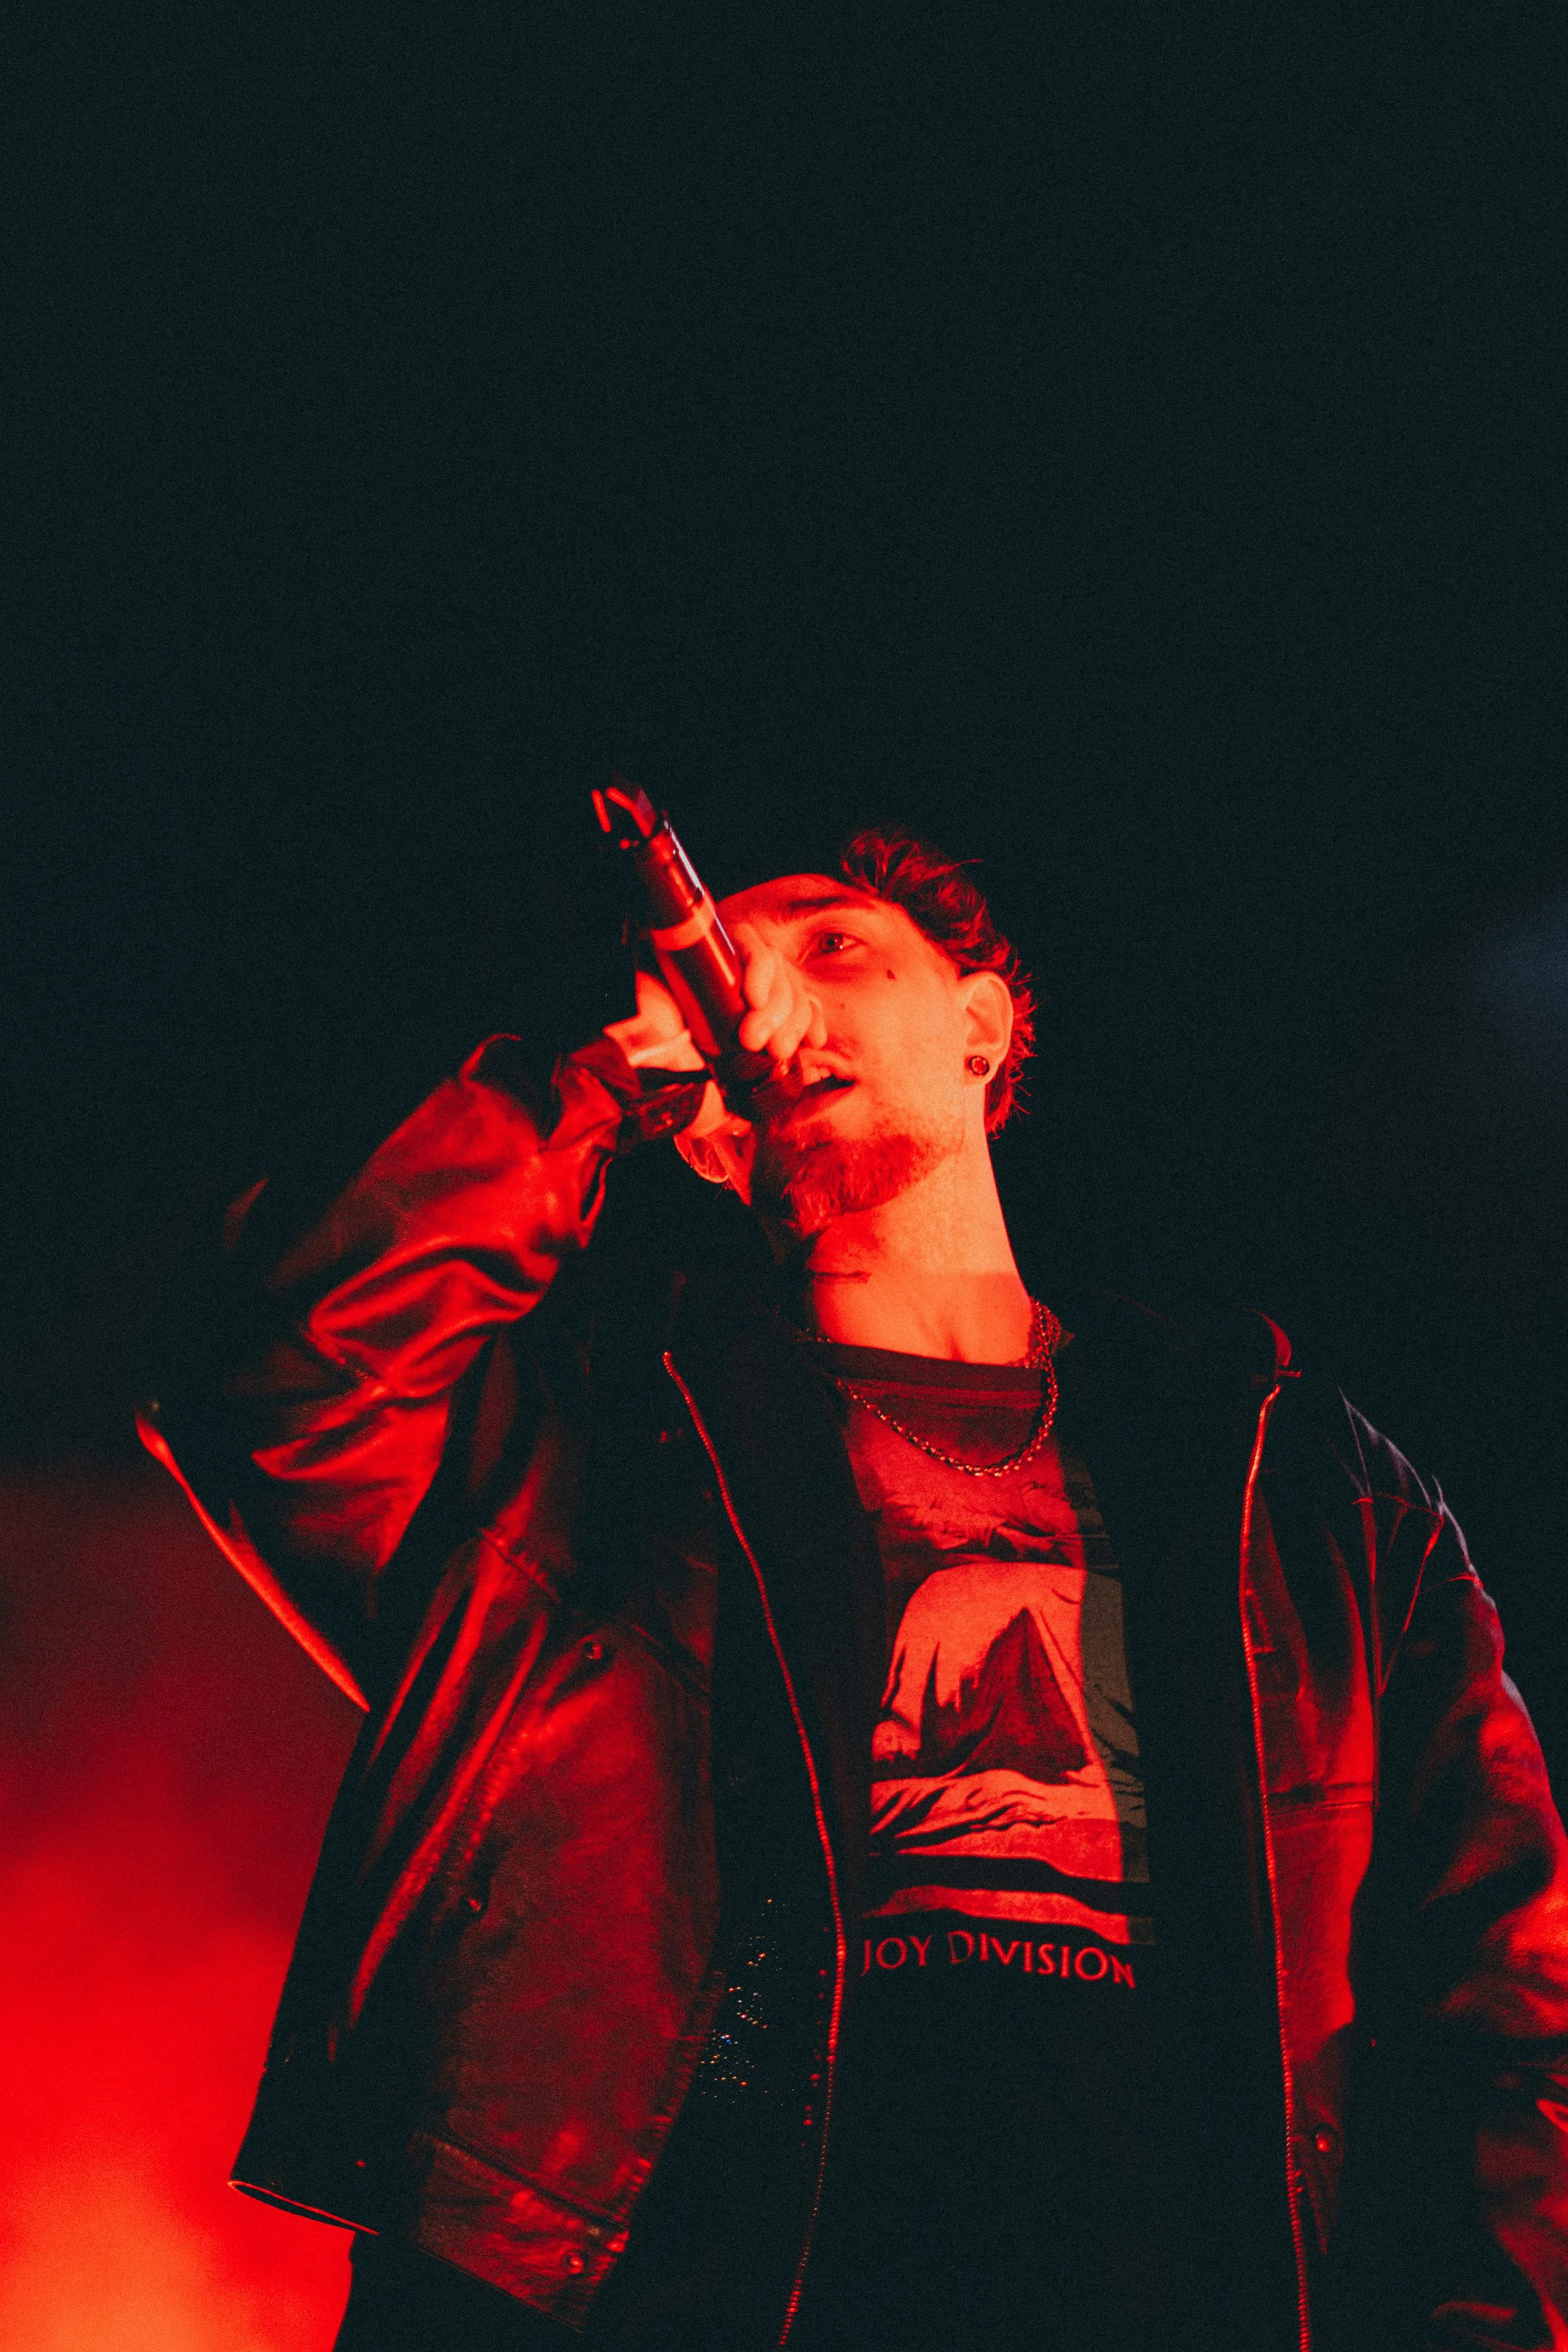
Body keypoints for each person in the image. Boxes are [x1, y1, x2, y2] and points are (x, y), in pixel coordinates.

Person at [141, 828, 1568, 2352]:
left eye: (834, 947)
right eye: (728, 972)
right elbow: (277, 1373)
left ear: (980, 1024)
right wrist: (616, 1063)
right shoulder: (589, 1468)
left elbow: (1505, 1988)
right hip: (692, 2291)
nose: (777, 999)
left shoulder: (1292, 1483)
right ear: (699, 1130)